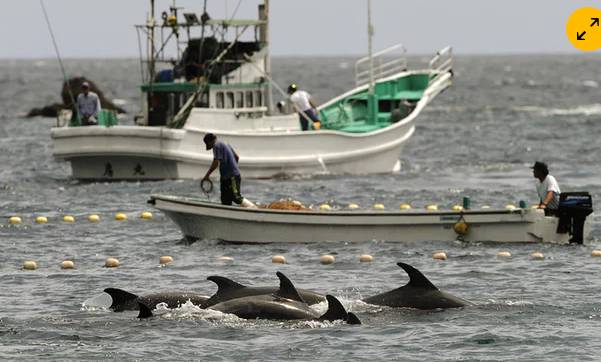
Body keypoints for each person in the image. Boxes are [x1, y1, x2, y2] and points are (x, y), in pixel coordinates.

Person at [202, 133, 253, 207]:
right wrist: (233, 168)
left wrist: (207, 176)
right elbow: (237, 157)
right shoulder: (225, 143)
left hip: (232, 177)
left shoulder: (216, 145)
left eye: (206, 143)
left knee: (236, 197)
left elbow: (216, 162)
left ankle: (253, 208)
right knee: (225, 200)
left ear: (209, 141)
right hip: (227, 177)